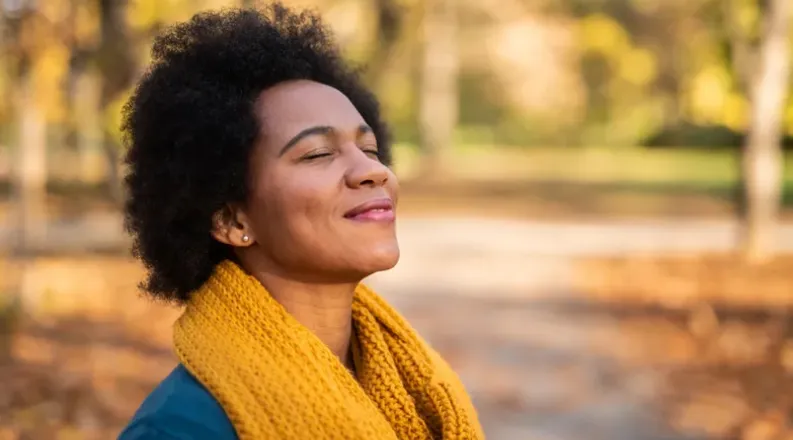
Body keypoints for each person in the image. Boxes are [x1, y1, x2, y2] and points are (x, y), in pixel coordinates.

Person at [117, 3, 483, 440]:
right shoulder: (182, 428)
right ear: (231, 220)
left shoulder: (414, 384)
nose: (374, 171)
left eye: (369, 150)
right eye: (317, 154)